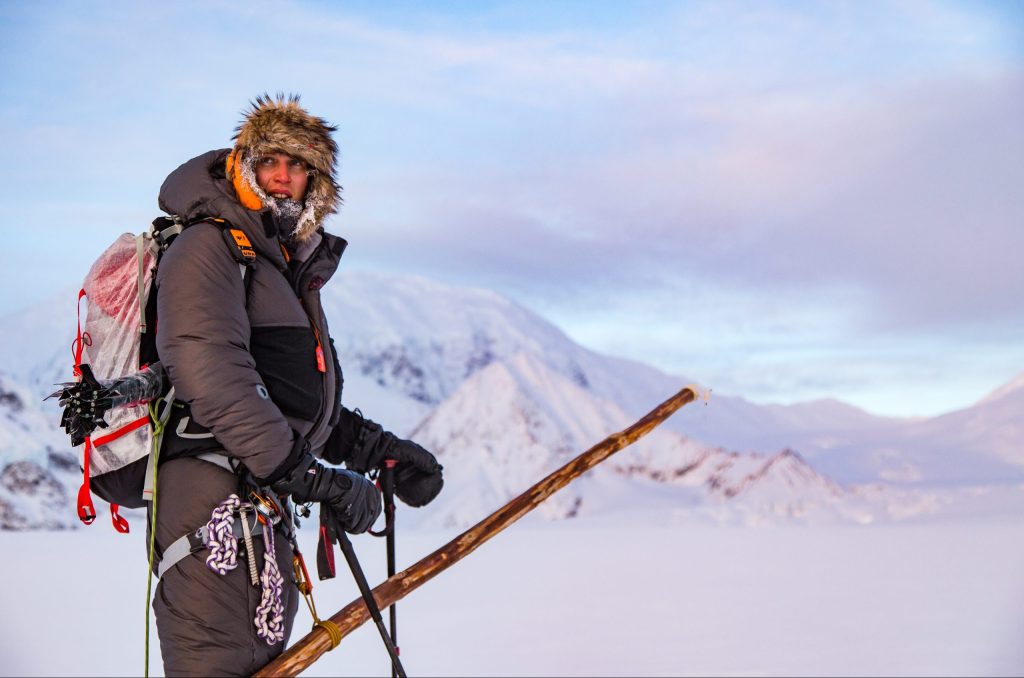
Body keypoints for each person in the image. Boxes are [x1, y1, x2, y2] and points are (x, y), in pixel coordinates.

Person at [150, 94, 443, 676]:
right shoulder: (210, 245)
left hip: (257, 504)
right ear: (247, 167)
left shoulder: (279, 266)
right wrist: (313, 479)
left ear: (316, 180)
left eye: (298, 166)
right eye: (271, 163)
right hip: (212, 505)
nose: (283, 178)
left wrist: (377, 453)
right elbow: (212, 374)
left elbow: (288, 398)